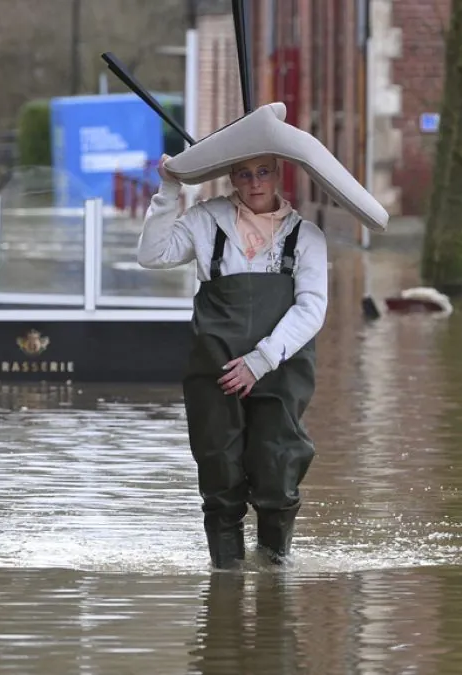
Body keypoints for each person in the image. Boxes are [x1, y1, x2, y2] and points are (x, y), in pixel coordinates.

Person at [137, 153, 329, 570]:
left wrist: (260, 361)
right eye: (244, 174)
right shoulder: (207, 221)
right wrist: (170, 188)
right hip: (215, 367)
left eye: (263, 172)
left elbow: (311, 310)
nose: (254, 182)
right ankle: (225, 579)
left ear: (278, 173)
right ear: (232, 176)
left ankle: (274, 573)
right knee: (220, 475)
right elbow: (152, 255)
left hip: (281, 368)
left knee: (277, 470)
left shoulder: (307, 236)